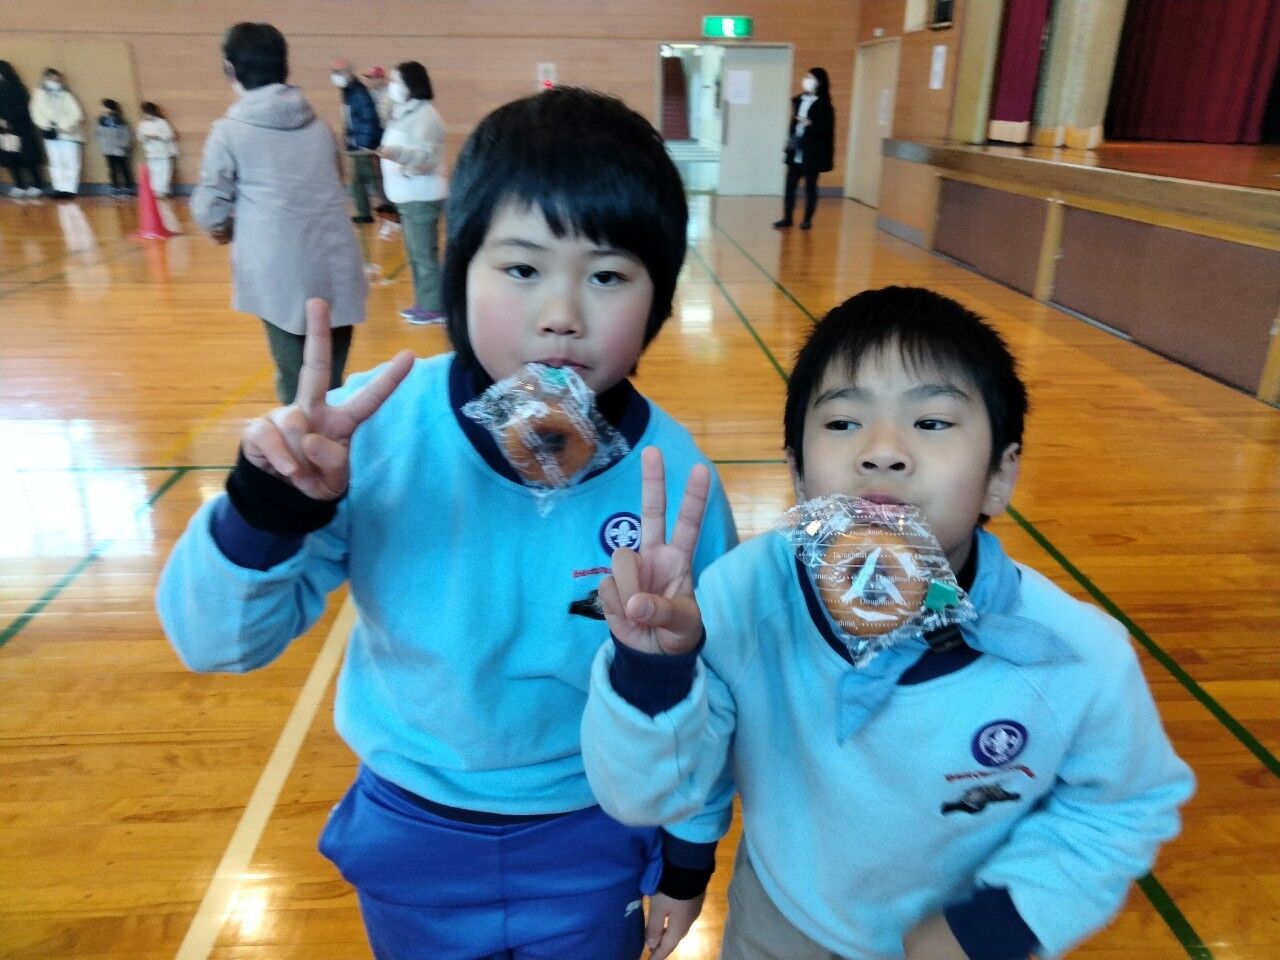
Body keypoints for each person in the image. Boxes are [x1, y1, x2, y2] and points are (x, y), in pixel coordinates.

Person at [156, 86, 740, 960]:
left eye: (608, 276)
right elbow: (217, 644)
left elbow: (712, 691)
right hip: (411, 830)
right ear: (458, 273)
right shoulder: (370, 430)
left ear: (658, 302)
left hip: (594, 826)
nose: (561, 314)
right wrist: (268, 506)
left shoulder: (676, 481)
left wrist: (689, 858)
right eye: (522, 269)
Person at [581, 286, 1196, 960]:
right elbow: (648, 794)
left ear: (1000, 475)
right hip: (780, 921)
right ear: (798, 473)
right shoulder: (742, 600)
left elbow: (1125, 805)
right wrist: (653, 673)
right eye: (844, 422)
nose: (882, 452)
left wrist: (1002, 922)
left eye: (931, 422)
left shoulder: (1075, 654)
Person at [193, 22, 366, 404]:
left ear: (231, 69)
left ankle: (304, 441)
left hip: (279, 273)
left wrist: (225, 229)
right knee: (331, 380)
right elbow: (337, 184)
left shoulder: (229, 132)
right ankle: (337, 438)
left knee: (296, 383)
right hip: (336, 263)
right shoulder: (320, 127)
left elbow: (209, 208)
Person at [376, 61, 447, 325]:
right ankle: (424, 302)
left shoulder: (426, 115)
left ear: (411, 83)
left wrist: (396, 154)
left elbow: (427, 156)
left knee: (424, 254)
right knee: (415, 253)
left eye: (397, 81)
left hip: (422, 196)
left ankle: (434, 307)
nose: (392, 86)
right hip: (408, 196)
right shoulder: (405, 112)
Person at [773, 67, 834, 231]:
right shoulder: (799, 100)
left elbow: (826, 131)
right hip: (796, 149)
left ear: (818, 82)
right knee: (789, 186)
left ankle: (807, 220)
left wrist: (810, 124)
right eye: (806, 76)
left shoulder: (825, 106)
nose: (806, 80)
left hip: (812, 153)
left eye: (810, 77)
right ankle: (787, 218)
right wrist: (789, 140)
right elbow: (794, 124)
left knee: (810, 187)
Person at [330, 58, 382, 224]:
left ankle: (384, 211)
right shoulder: (349, 91)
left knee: (370, 179)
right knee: (358, 181)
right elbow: (350, 119)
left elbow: (369, 118)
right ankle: (364, 213)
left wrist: (365, 144)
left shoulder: (357, 92)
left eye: (338, 72)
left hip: (362, 146)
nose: (335, 76)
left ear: (348, 73)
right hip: (355, 144)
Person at [29, 68, 85, 199]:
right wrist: (49, 125)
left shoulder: (66, 94)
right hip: (50, 133)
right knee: (55, 162)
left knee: (71, 161)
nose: (54, 80)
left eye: (56, 78)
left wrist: (64, 125)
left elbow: (77, 114)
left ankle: (70, 189)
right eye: (50, 78)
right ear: (45, 78)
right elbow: (36, 114)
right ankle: (59, 188)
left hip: (69, 133)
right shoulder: (38, 95)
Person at [0, 61, 45, 198]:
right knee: (11, 158)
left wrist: (8, 119)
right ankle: (19, 185)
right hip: (4, 131)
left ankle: (37, 184)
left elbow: (23, 108)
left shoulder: (18, 88)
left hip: (21, 128)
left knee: (27, 156)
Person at [138, 101, 178, 197]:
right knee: (153, 172)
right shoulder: (142, 124)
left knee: (164, 172)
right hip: (151, 152)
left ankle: (163, 191)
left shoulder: (162, 122)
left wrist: (158, 136)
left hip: (163, 152)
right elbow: (139, 137)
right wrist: (146, 137)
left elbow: (170, 135)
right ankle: (155, 191)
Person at [94, 99, 134, 196]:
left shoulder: (120, 121)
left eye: (103, 107)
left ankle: (128, 189)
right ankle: (115, 188)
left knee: (124, 169)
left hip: (120, 150)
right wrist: (104, 144)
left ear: (110, 108)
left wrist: (122, 146)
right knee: (112, 169)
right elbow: (98, 134)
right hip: (107, 150)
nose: (101, 109)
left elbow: (126, 135)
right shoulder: (101, 121)